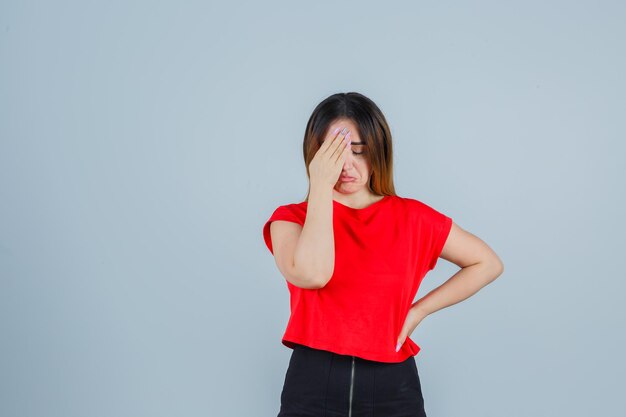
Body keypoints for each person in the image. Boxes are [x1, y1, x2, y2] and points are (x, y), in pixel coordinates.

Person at [262, 92, 504, 417]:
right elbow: (312, 274)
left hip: (392, 383)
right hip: (312, 380)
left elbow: (487, 263)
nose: (346, 165)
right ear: (315, 155)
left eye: (358, 151)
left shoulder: (413, 218)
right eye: (332, 153)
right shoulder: (290, 219)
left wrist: (418, 312)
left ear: (378, 151)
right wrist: (320, 186)